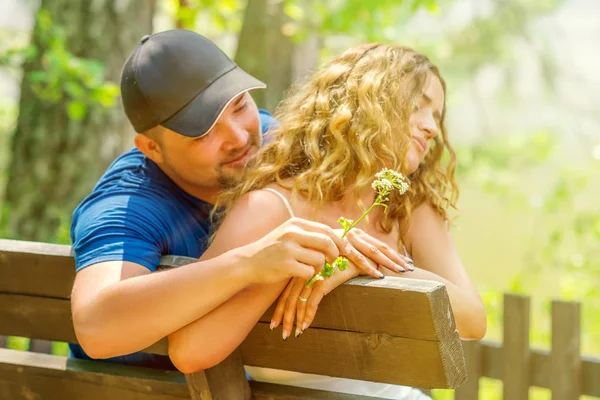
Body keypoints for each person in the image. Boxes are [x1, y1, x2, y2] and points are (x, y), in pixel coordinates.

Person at [69, 30, 411, 370]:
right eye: (202, 131)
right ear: (151, 148)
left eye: (239, 105)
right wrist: (248, 264)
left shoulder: (274, 143)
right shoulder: (125, 206)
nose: (238, 137)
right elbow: (95, 327)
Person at [203, 43, 487, 398]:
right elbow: (197, 345)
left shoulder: (409, 209)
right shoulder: (269, 207)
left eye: (437, 117)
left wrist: (365, 263)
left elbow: (474, 321)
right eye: (418, 107)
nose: (431, 128)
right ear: (365, 102)